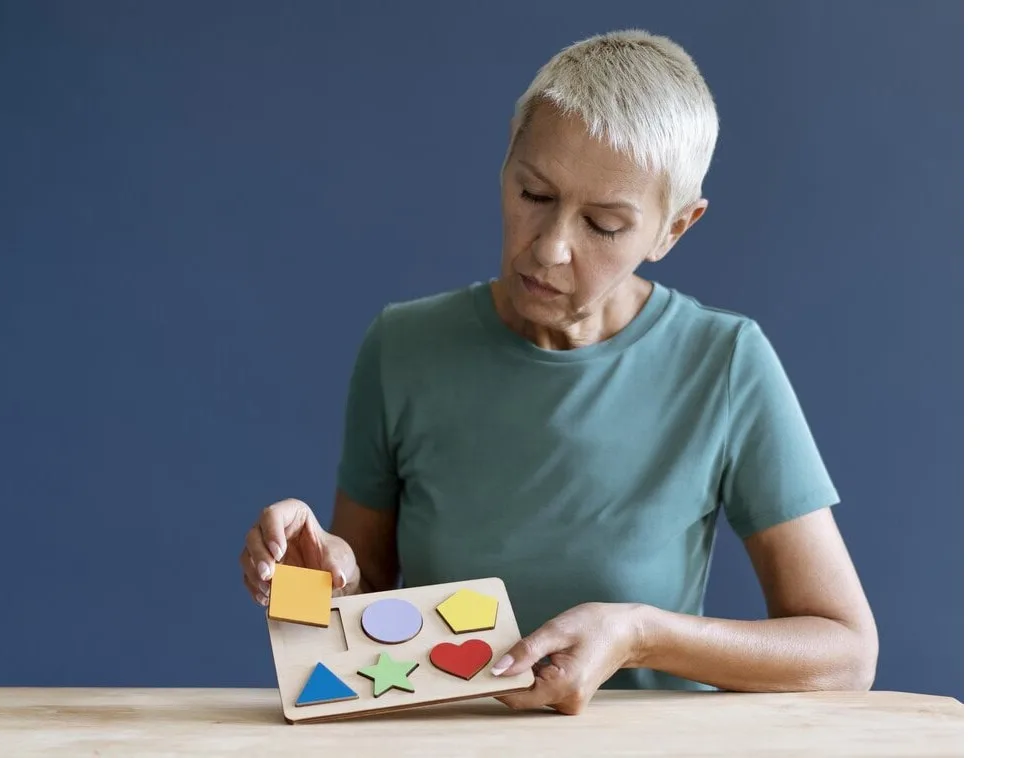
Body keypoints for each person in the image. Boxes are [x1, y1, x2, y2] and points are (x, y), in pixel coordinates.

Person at [237, 28, 878, 715]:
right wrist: (306, 586)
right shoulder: (401, 348)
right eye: (534, 194)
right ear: (507, 157)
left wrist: (639, 636)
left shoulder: (723, 363)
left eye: (603, 225)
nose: (549, 248)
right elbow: (352, 632)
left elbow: (844, 653)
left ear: (674, 230)